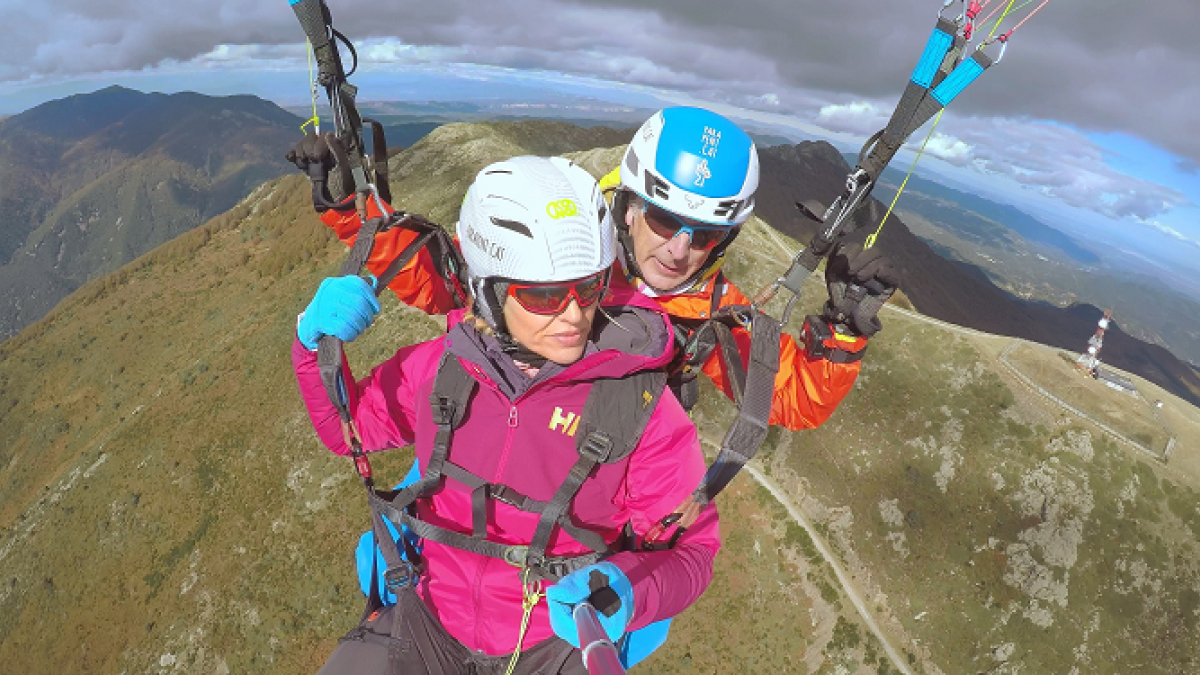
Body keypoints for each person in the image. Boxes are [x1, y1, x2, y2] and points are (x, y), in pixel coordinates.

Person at [293, 156, 720, 674]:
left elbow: (692, 550)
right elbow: (348, 431)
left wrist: (626, 590)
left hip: (554, 642)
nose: (574, 314)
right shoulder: (443, 369)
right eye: (544, 295)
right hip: (430, 619)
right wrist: (312, 344)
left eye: (588, 288)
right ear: (490, 293)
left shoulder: (639, 406)